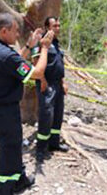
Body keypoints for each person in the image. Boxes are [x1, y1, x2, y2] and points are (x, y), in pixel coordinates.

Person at [0, 12, 54, 195]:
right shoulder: (4, 55)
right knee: (8, 146)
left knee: (13, 143)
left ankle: (19, 178)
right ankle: (5, 186)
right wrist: (44, 48)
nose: (18, 34)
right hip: (4, 111)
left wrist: (29, 45)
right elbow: (37, 73)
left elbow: (13, 62)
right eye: (16, 31)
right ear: (4, 31)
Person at [34, 16, 69, 163]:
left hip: (58, 84)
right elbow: (36, 62)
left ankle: (54, 144)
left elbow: (58, 64)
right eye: (55, 26)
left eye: (59, 26)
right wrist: (42, 80)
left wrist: (63, 82)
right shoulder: (42, 43)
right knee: (46, 116)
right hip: (46, 84)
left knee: (57, 115)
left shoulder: (56, 44)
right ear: (47, 27)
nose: (58, 28)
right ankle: (41, 149)